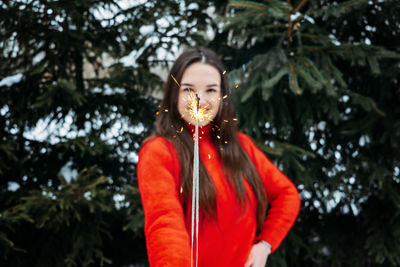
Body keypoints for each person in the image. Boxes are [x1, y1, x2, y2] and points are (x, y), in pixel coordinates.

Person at [137, 48, 301, 267]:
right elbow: (164, 223)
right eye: (188, 89)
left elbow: (287, 195)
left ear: (222, 97)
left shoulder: (241, 146)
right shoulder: (159, 152)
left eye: (211, 90)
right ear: (173, 94)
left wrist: (265, 245)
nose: (199, 99)